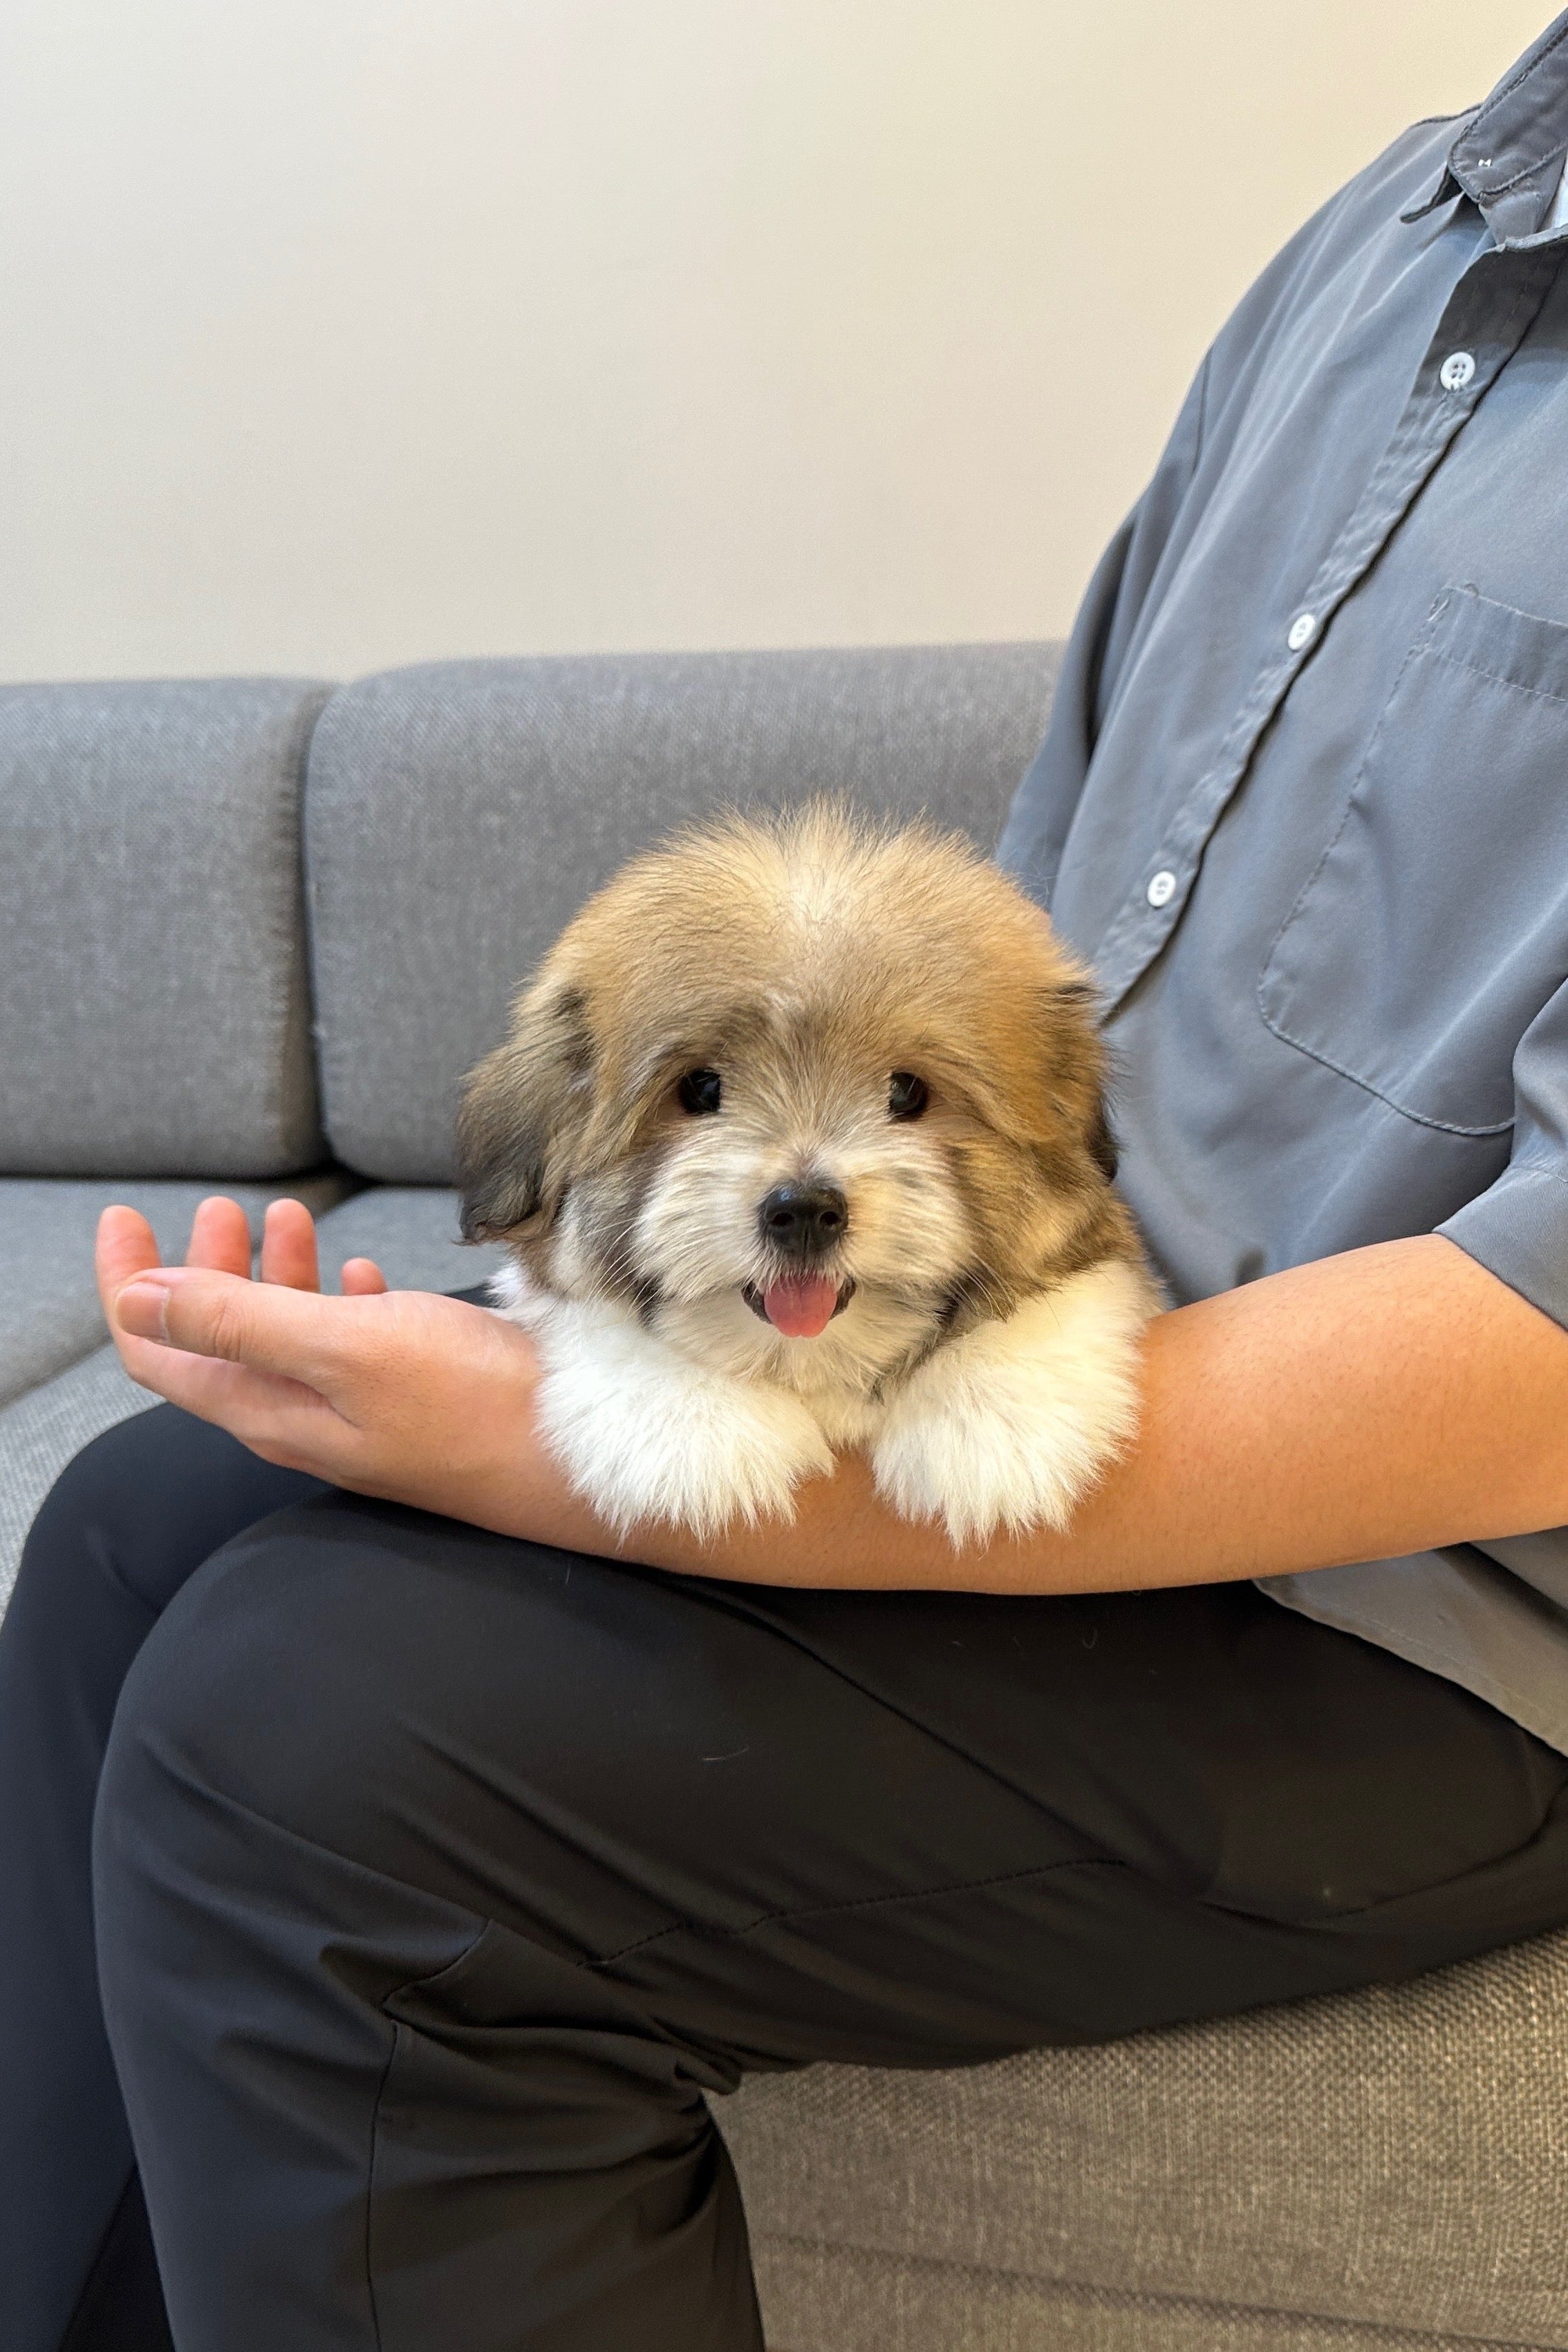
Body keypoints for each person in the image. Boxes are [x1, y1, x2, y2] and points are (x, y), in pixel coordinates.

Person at [9, 15, 1568, 2349]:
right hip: (1070, 1360)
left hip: (1415, 1617)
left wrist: (595, 1467)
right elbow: (1039, 986)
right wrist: (596, 1348)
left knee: (310, 1753)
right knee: (140, 1528)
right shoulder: (1396, 235)